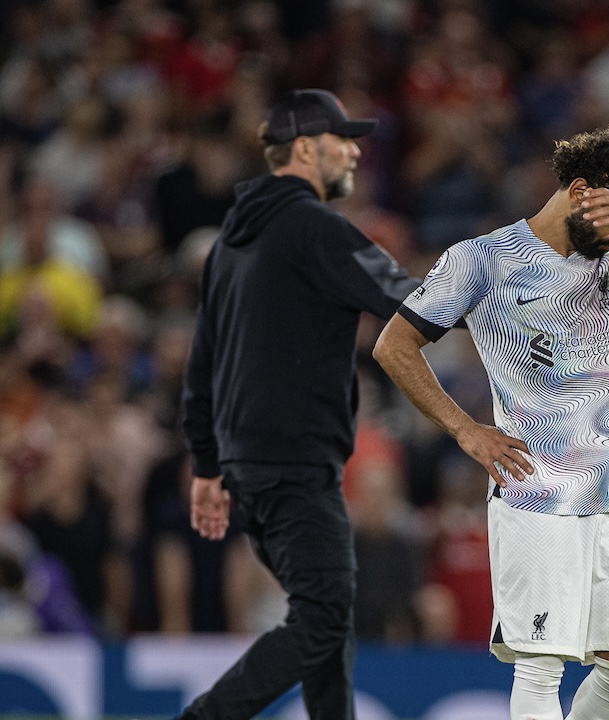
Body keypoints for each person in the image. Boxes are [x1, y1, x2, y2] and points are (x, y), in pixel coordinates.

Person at [372, 125, 609, 720]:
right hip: (536, 490)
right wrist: (466, 430)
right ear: (581, 190)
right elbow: (394, 346)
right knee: (540, 667)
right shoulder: (480, 260)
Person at [179, 89, 422, 720]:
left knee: (327, 619)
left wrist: (206, 465)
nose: (355, 152)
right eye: (344, 140)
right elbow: (413, 300)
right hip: (294, 465)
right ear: (308, 149)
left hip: (247, 469)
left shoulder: (228, 244)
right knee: (320, 620)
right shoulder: (317, 229)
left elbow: (203, 362)